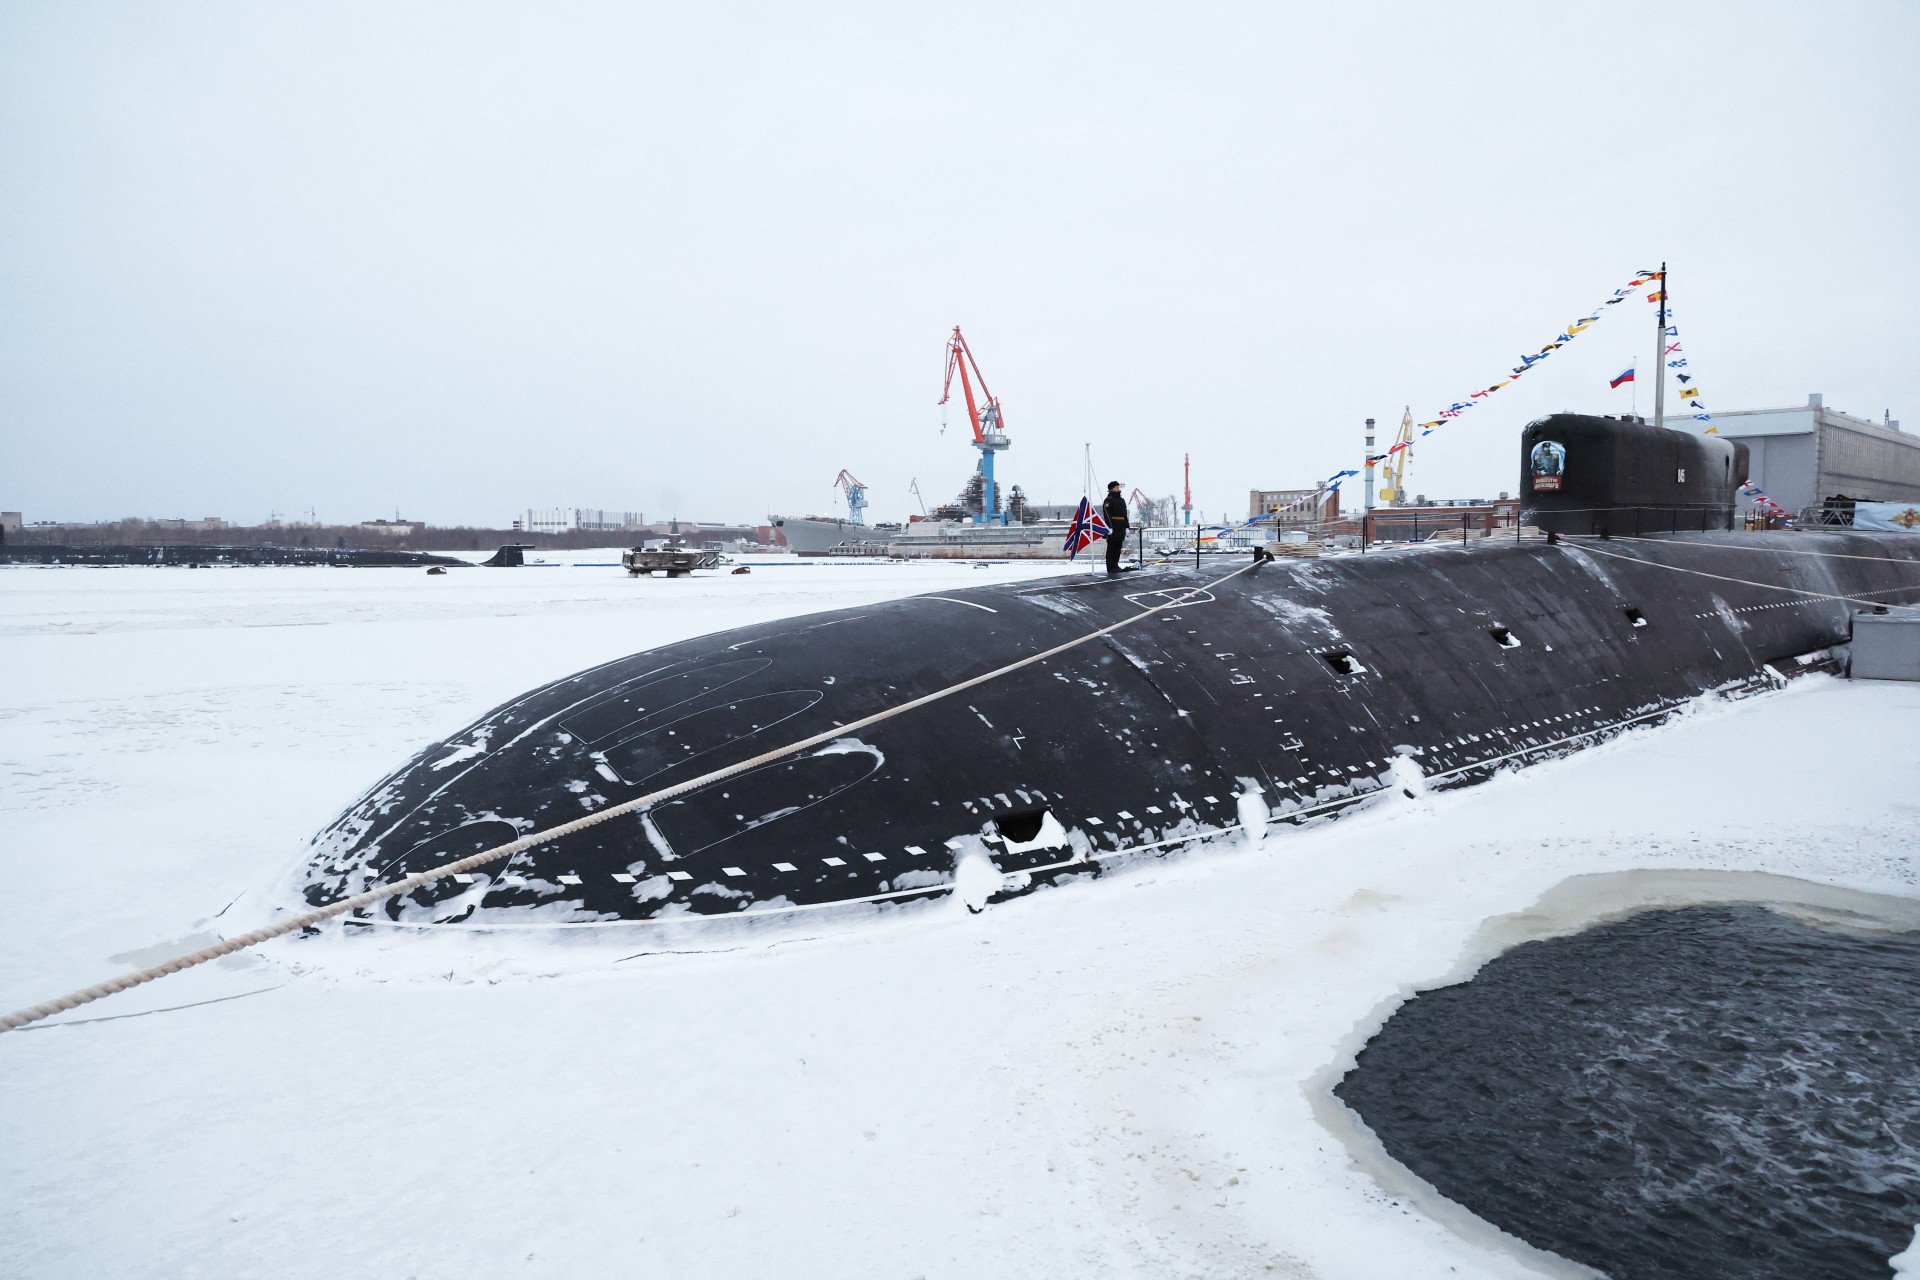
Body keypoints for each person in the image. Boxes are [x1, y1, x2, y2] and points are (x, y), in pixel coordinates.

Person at [1101, 480, 1130, 575]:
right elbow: (1107, 514)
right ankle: (1110, 567)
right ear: (1111, 489)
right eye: (1116, 487)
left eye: (1118, 487)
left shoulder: (1122, 500)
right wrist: (1109, 527)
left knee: (1118, 547)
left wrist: (1127, 526)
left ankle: (1115, 566)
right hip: (1113, 526)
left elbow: (1125, 514)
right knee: (1111, 548)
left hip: (1121, 526)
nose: (1118, 488)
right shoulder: (1108, 500)